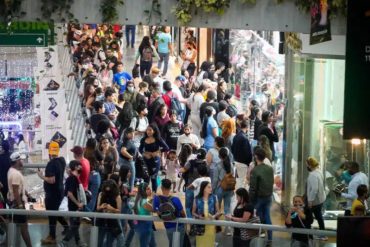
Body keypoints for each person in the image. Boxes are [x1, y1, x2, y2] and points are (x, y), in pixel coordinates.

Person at [38, 141, 69, 245]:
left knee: (51, 215)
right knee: (55, 212)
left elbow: (51, 180)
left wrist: (41, 176)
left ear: (49, 152)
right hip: (59, 191)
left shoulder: (51, 164)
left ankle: (52, 236)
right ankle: (67, 227)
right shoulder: (62, 160)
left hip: (52, 194)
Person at [58, 161, 87, 247]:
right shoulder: (73, 179)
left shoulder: (73, 178)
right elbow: (69, 194)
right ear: (75, 167)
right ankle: (64, 241)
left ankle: (78, 241)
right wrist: (78, 204)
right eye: (79, 166)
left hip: (73, 206)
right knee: (75, 225)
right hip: (74, 207)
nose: (81, 168)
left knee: (75, 225)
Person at [7, 152, 32, 247]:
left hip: (14, 202)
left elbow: (18, 188)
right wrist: (20, 205)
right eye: (20, 159)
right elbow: (15, 191)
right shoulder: (16, 174)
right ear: (17, 161)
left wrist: (27, 194)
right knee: (24, 226)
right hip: (17, 203)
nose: (22, 161)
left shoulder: (11, 170)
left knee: (17, 224)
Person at [249, 147, 274, 243]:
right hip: (268, 196)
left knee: (257, 217)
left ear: (256, 156)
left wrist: (250, 200)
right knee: (267, 216)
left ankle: (257, 238)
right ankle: (270, 238)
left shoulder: (255, 170)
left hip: (259, 197)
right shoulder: (269, 168)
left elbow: (253, 188)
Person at [153, 179, 186, 247]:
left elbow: (156, 211)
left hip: (168, 227)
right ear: (170, 188)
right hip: (179, 225)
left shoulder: (157, 199)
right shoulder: (176, 199)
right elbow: (183, 214)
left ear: (161, 187)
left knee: (171, 244)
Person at [139, 124, 169, 192]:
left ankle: (154, 194)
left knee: (153, 178)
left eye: (150, 130)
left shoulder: (158, 139)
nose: (148, 132)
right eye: (147, 130)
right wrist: (144, 154)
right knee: (146, 178)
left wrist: (158, 152)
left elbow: (166, 148)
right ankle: (144, 195)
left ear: (154, 131)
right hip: (146, 161)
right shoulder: (143, 139)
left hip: (155, 161)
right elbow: (140, 150)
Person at [192, 181, 221, 247]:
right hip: (200, 226)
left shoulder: (214, 197)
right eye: (209, 187)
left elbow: (218, 212)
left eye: (211, 187)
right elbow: (193, 212)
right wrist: (199, 217)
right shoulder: (196, 198)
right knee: (200, 244)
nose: (211, 189)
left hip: (211, 226)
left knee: (210, 243)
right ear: (203, 188)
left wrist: (213, 216)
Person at [96, 179, 124, 247]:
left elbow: (119, 211)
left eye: (109, 190)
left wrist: (111, 208)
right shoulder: (101, 194)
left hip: (112, 221)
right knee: (99, 241)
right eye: (106, 189)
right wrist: (101, 207)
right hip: (102, 221)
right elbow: (97, 208)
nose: (107, 191)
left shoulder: (117, 196)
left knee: (109, 242)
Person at [305, 157, 327, 240]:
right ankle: (322, 234)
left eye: (307, 165)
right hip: (320, 199)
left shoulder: (313, 175)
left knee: (309, 217)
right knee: (319, 216)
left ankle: (309, 235)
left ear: (310, 165)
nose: (306, 166)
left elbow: (314, 189)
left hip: (315, 201)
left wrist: (310, 201)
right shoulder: (318, 172)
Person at [181, 148, 207, 217]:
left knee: (188, 207)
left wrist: (177, 169)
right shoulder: (206, 164)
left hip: (190, 187)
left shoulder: (190, 162)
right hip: (201, 189)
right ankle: (197, 222)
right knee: (199, 206)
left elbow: (183, 170)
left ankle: (190, 221)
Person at [213, 147, 234, 232]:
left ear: (219, 156)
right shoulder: (231, 165)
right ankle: (227, 228)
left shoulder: (218, 165)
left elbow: (215, 180)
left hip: (219, 189)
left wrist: (213, 189)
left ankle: (217, 227)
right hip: (229, 188)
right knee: (227, 208)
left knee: (217, 208)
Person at [134, 182, 156, 247]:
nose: (150, 190)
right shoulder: (144, 202)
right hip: (145, 226)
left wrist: (152, 199)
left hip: (146, 226)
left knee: (153, 245)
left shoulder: (140, 199)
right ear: (143, 191)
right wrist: (155, 199)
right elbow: (154, 210)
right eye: (148, 189)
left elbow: (147, 204)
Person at [231, 119, 252, 188]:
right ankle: (241, 197)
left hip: (237, 160)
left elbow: (232, 148)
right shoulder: (244, 138)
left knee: (239, 180)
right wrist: (249, 163)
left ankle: (239, 196)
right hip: (243, 163)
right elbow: (247, 153)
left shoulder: (236, 136)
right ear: (247, 127)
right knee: (243, 181)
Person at [118, 166, 136, 246]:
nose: (130, 173)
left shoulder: (126, 181)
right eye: (129, 172)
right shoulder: (122, 183)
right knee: (123, 227)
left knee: (134, 226)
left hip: (128, 207)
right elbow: (122, 196)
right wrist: (130, 194)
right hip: (124, 207)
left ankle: (125, 244)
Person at [84, 138, 102, 212]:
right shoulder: (96, 151)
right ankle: (89, 213)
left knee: (85, 194)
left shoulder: (84, 152)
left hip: (86, 174)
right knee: (93, 196)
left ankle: (84, 211)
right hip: (95, 175)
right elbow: (102, 159)